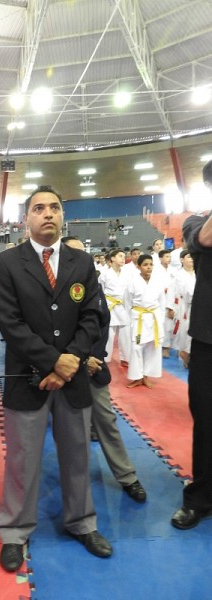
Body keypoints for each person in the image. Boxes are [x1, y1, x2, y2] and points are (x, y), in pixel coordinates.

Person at [0, 185, 112, 573]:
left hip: (73, 376)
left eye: (55, 208)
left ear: (63, 216)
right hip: (28, 376)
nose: (48, 214)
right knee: (22, 459)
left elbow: (92, 316)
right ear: (25, 219)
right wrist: (53, 363)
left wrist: (70, 361)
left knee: (77, 454)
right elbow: (10, 323)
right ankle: (14, 530)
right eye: (39, 208)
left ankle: (82, 522)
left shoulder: (82, 261)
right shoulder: (7, 263)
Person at [63, 239, 147, 503]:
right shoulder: (51, 286)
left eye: (82, 252)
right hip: (60, 366)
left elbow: (101, 325)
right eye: (72, 252)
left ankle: (127, 476)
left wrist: (92, 357)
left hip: (92, 366)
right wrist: (78, 358)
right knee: (66, 428)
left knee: (106, 421)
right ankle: (71, 484)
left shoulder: (93, 285)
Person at [171, 159, 212, 530]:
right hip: (208, 338)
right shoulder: (196, 222)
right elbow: (206, 240)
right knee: (206, 419)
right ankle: (200, 498)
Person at [123, 254, 165, 388]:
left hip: (154, 318)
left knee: (153, 347)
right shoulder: (132, 283)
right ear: (138, 267)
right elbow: (127, 303)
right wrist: (130, 319)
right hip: (138, 318)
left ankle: (146, 376)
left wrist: (161, 319)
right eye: (145, 265)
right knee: (136, 347)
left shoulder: (158, 282)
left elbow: (162, 303)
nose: (149, 267)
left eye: (151, 264)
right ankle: (137, 377)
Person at [99, 248, 131, 366]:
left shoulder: (127, 274)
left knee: (126, 334)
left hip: (123, 306)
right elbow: (100, 292)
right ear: (112, 258)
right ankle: (105, 359)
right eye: (120, 256)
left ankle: (126, 358)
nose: (123, 259)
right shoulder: (104, 274)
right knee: (109, 335)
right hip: (110, 306)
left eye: (124, 257)